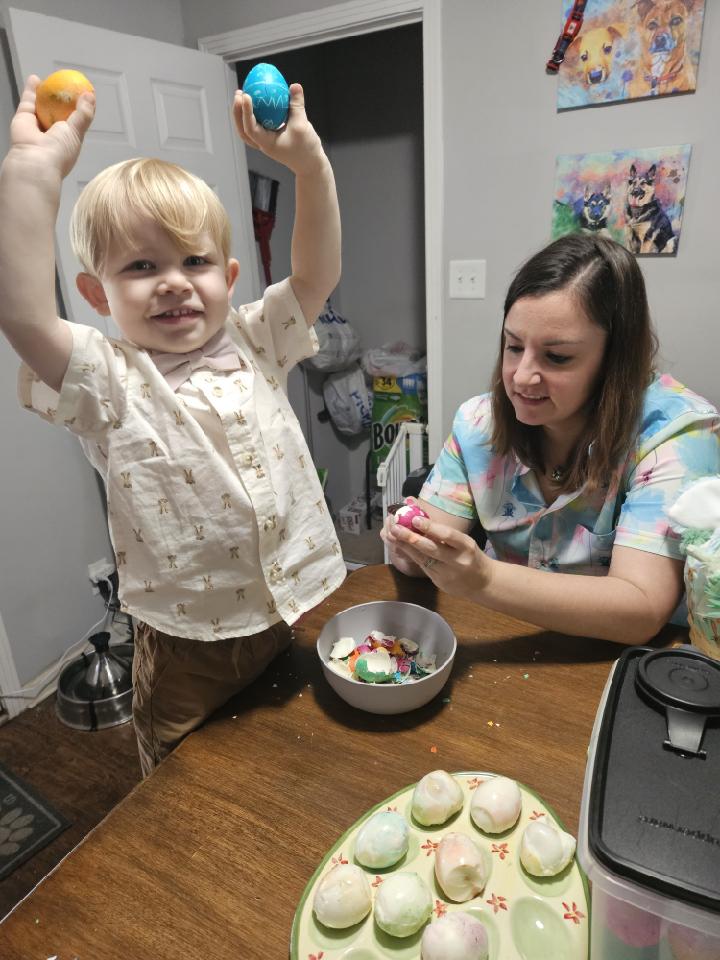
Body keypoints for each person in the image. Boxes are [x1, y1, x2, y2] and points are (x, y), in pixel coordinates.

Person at [0, 76, 345, 775]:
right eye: (141, 266)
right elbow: (24, 316)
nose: (174, 281)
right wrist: (32, 173)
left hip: (282, 613)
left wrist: (310, 166)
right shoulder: (107, 379)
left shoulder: (256, 340)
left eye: (195, 261)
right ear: (97, 294)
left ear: (229, 275)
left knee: (285, 762)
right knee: (188, 788)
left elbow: (315, 276)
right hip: (187, 648)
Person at [382, 233, 720, 645]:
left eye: (557, 357)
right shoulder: (478, 422)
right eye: (513, 346)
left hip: (612, 660)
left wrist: (483, 579)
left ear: (614, 360)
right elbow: (429, 552)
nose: (522, 377)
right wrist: (411, 549)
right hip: (496, 638)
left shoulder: (677, 433)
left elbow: (641, 609)